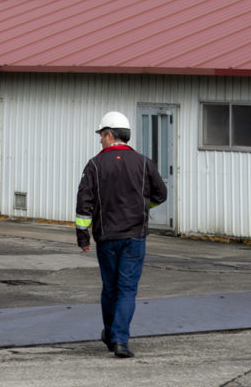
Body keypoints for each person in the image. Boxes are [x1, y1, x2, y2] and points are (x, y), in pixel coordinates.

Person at [75, 110, 167, 359]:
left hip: (106, 238)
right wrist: (142, 207)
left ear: (109, 134)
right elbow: (160, 195)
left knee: (110, 288)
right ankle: (120, 340)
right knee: (127, 289)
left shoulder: (94, 165)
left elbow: (84, 202)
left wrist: (82, 235)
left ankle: (110, 333)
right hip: (135, 237)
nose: (100, 140)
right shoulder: (144, 163)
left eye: (101, 135)